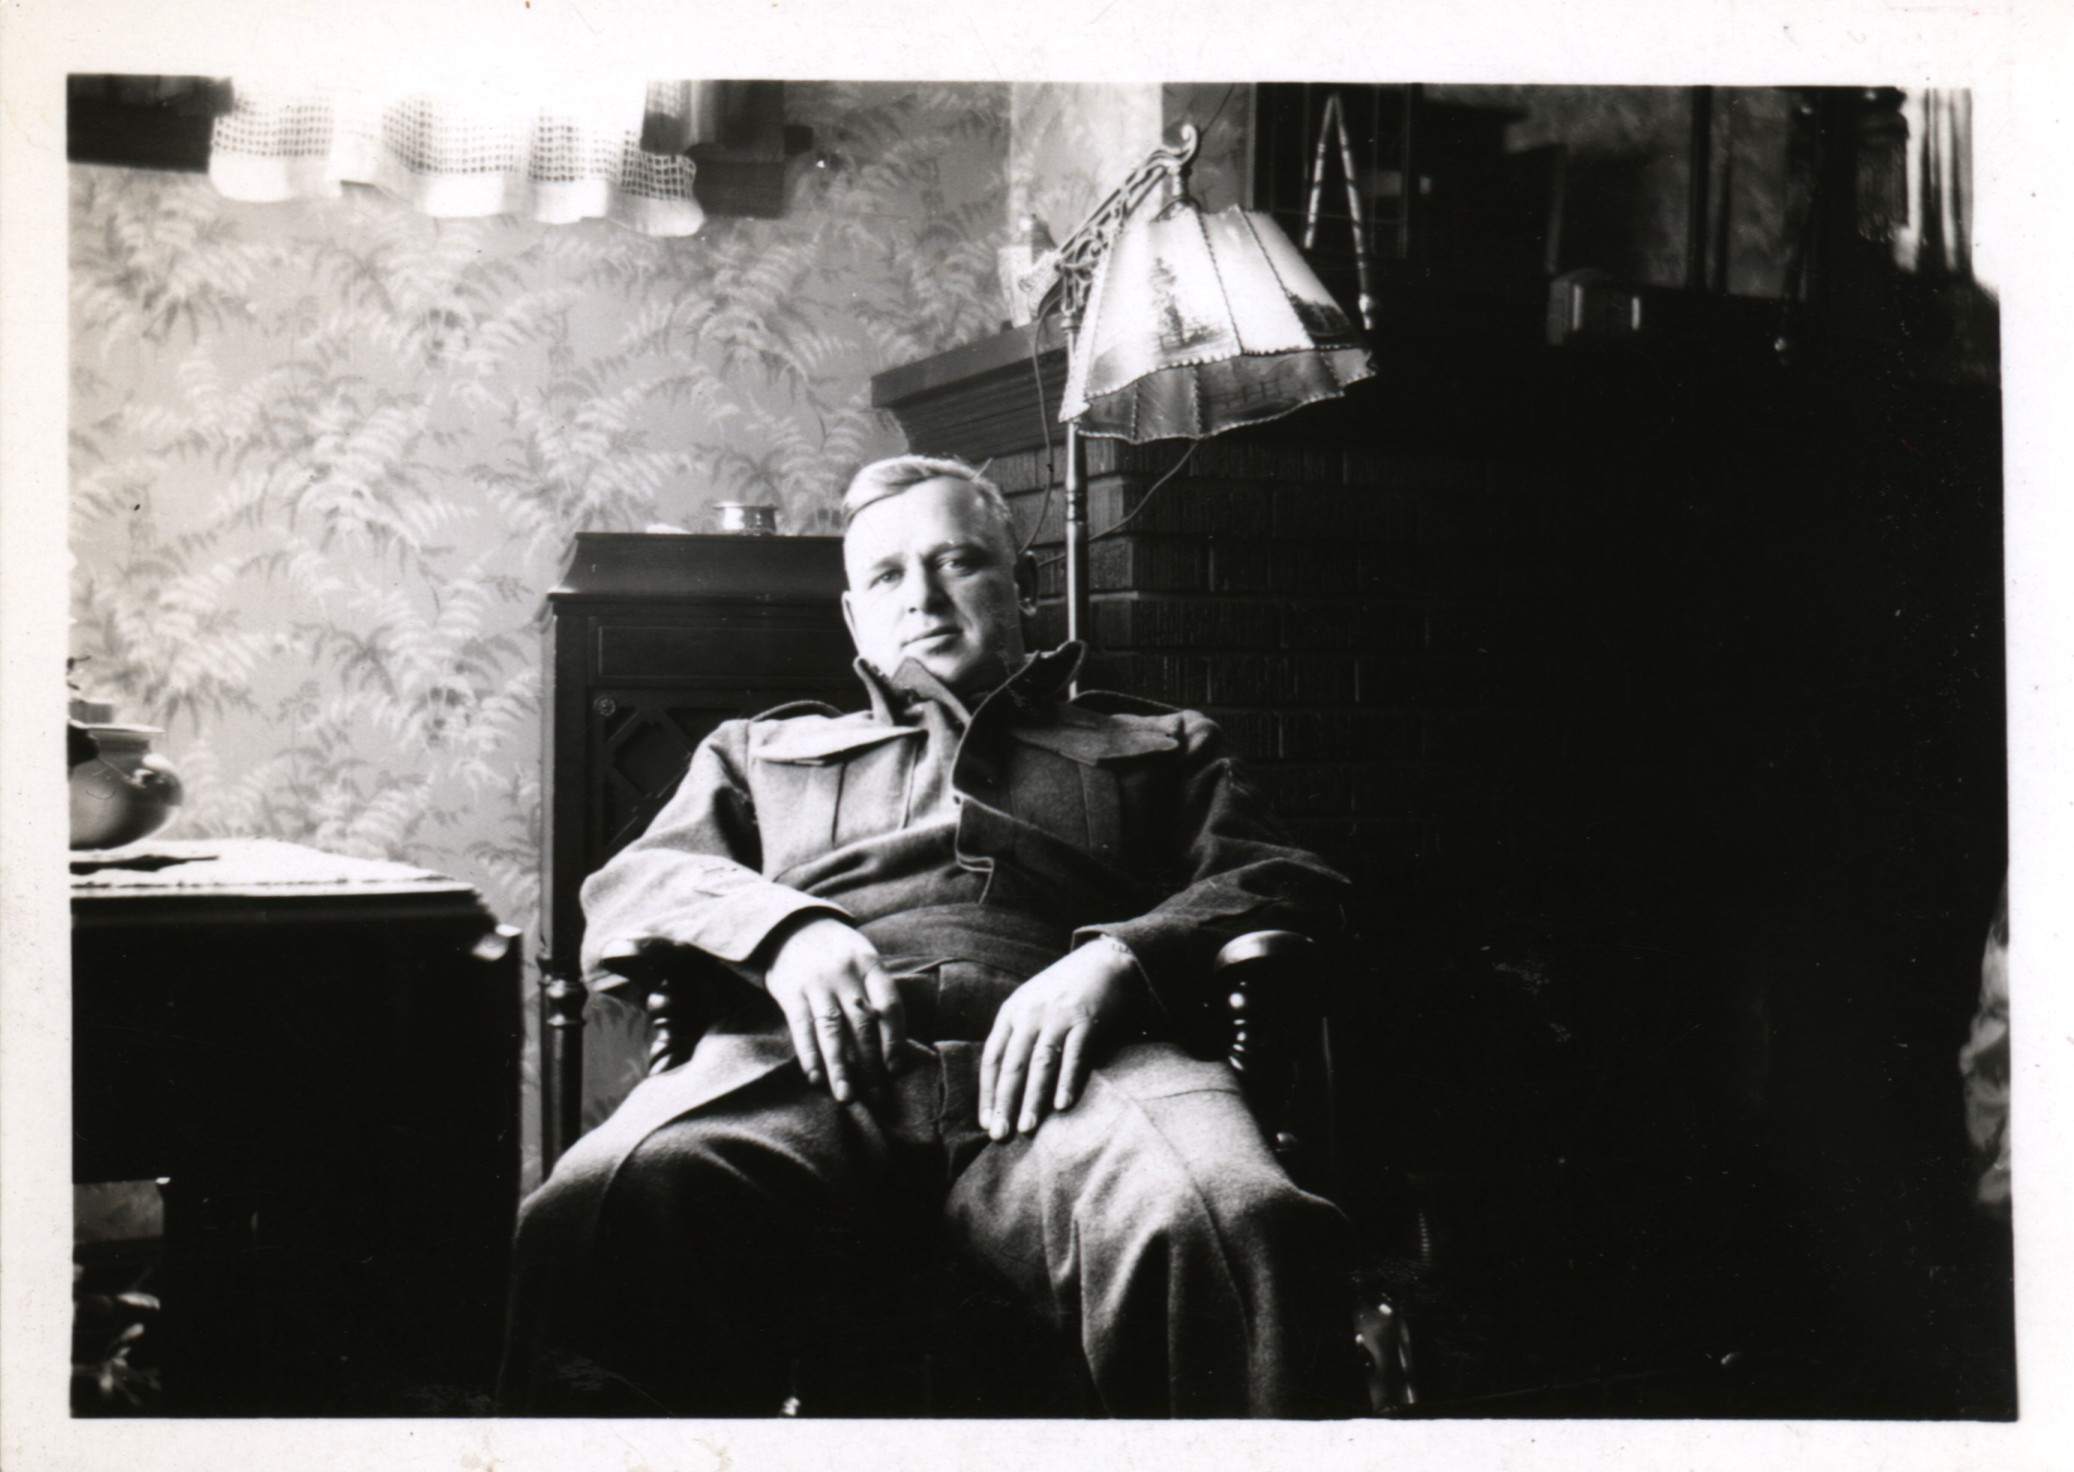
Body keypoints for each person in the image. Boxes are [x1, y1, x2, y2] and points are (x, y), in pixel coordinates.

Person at [500, 455, 1361, 1418]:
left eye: (956, 561)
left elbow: (1284, 882)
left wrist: (1121, 960)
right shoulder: (761, 751)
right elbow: (634, 885)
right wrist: (785, 933)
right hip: (809, 1073)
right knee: (599, 1205)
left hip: (1088, 1069)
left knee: (1234, 1216)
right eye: (886, 576)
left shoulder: (1161, 744)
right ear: (853, 616)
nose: (921, 597)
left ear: (1021, 584)